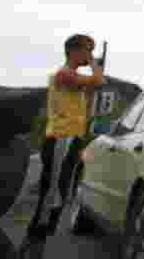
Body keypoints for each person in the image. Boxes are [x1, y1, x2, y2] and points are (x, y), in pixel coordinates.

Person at [27, 34, 105, 236]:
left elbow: (93, 88)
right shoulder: (64, 74)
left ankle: (40, 237)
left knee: (60, 192)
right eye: (88, 50)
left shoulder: (72, 77)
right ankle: (35, 237)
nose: (90, 55)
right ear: (74, 51)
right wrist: (94, 63)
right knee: (53, 193)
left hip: (70, 139)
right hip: (61, 139)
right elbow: (98, 80)